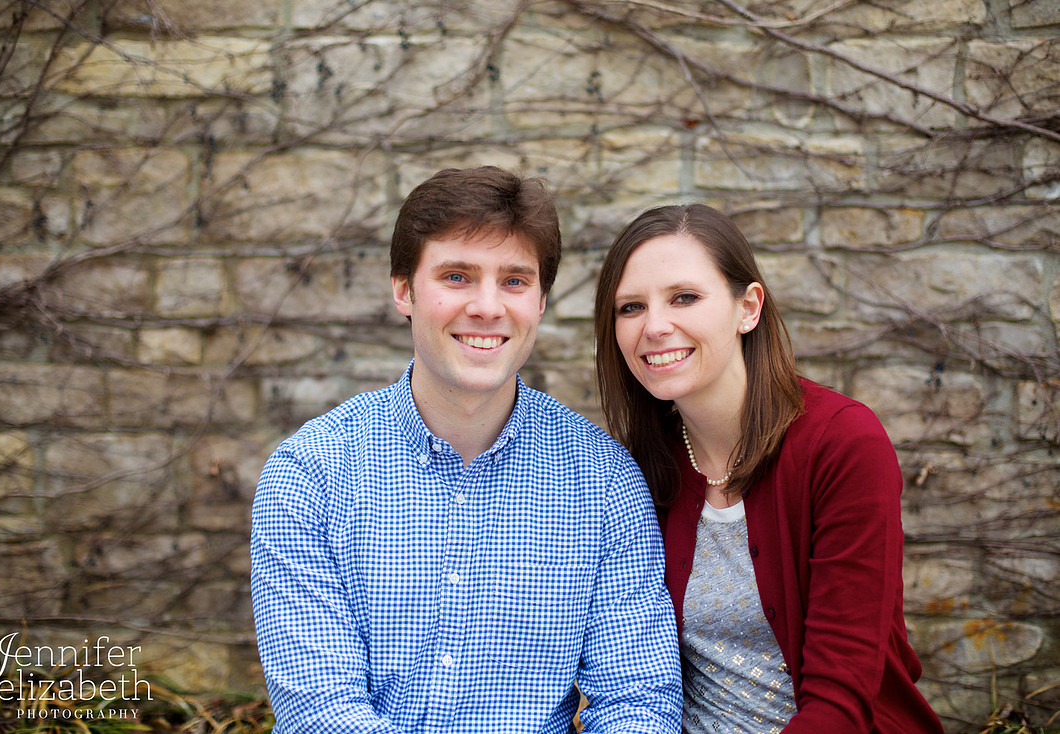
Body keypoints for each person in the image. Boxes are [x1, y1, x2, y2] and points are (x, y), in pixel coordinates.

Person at [250, 166, 681, 733]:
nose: (487, 307)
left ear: (541, 301)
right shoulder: (311, 476)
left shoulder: (603, 481)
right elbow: (321, 714)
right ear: (403, 290)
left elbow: (638, 703)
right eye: (457, 276)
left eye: (514, 281)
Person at [592, 203, 944, 733]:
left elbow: (842, 695)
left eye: (684, 297)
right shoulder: (636, 466)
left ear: (748, 308)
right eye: (631, 307)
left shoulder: (842, 444)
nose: (655, 326)